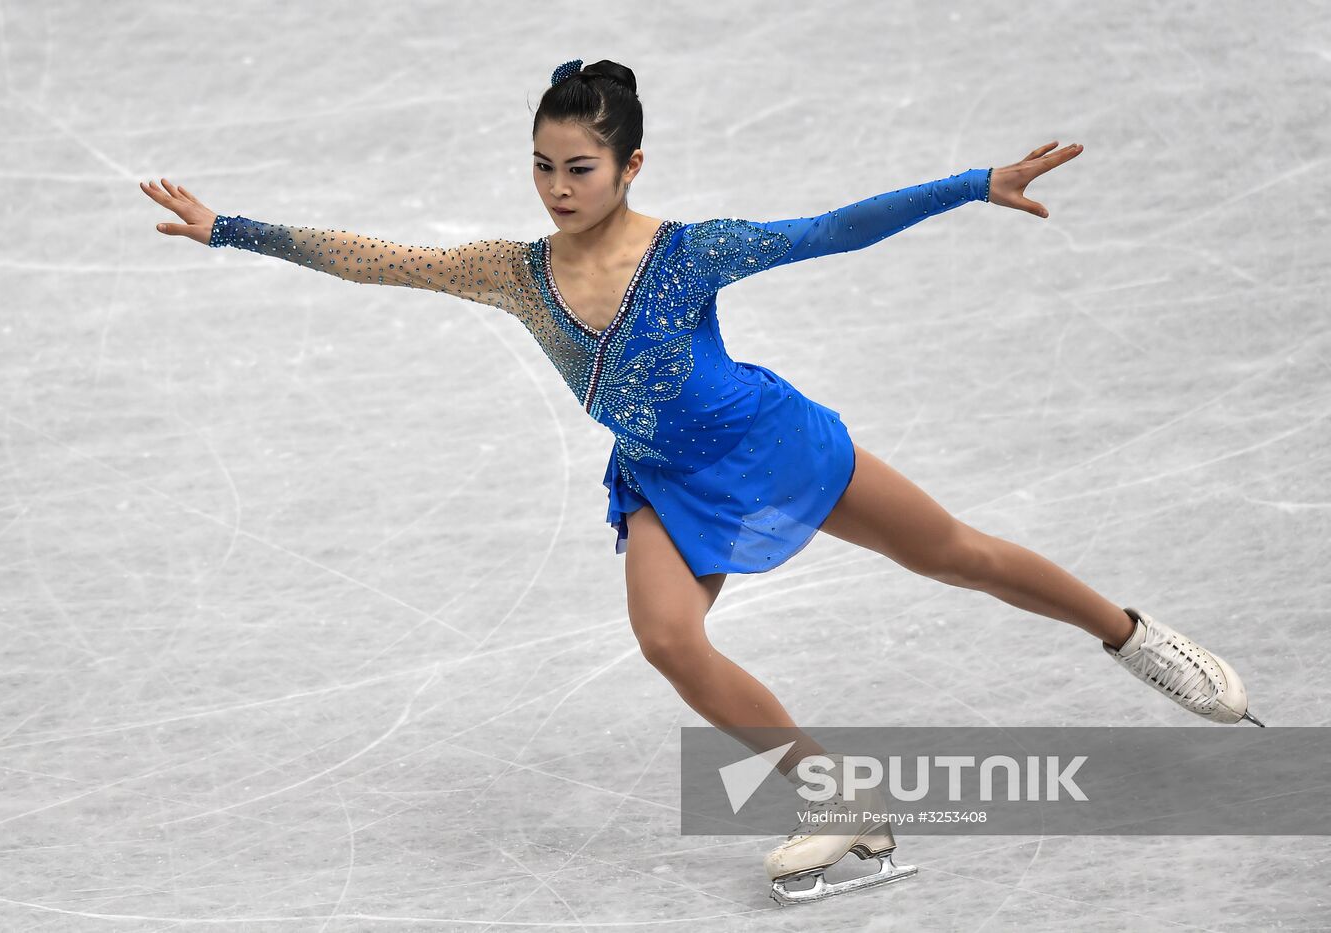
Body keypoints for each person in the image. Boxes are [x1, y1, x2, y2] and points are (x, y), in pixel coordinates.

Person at [140, 57, 1265, 906]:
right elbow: (377, 257)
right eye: (541, 165)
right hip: (666, 479)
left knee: (956, 556)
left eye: (578, 167)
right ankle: (844, 804)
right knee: (669, 640)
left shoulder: (690, 252)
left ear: (630, 167)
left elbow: (828, 228)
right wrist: (227, 228)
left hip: (767, 445)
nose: (555, 187)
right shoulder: (513, 275)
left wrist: (973, 182)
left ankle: (1129, 634)